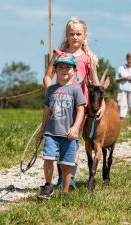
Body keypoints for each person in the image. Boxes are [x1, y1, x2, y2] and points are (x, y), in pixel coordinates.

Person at [43, 17, 105, 189]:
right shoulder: (59, 55)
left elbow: (96, 83)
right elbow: (48, 77)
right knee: (56, 137)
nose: (75, 37)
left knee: (73, 140)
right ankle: (59, 177)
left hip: (79, 106)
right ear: (67, 35)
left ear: (85, 36)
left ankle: (68, 179)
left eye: (79, 34)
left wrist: (103, 104)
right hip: (59, 105)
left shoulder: (88, 59)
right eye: (72, 34)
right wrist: (52, 92)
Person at [37, 52, 86, 199]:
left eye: (68, 67)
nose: (64, 70)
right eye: (61, 67)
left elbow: (81, 109)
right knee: (48, 159)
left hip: (68, 135)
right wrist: (42, 130)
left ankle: (65, 192)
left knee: (66, 166)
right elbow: (46, 111)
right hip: (51, 133)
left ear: (74, 70)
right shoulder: (51, 90)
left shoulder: (76, 90)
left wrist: (76, 127)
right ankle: (47, 185)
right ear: (56, 71)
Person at [115, 52, 131, 130]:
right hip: (122, 89)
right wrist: (123, 78)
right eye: (129, 58)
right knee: (121, 105)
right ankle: (120, 123)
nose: (130, 60)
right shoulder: (121, 68)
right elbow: (116, 79)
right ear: (127, 59)